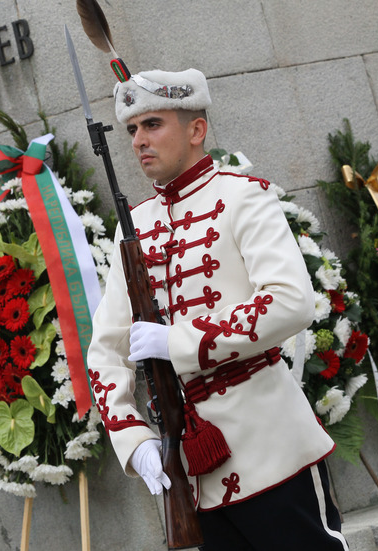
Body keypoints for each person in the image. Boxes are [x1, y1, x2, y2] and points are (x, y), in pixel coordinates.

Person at [86, 67, 348, 550]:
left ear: (196, 129)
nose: (138, 140)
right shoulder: (135, 227)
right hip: (194, 474)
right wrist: (134, 438)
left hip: (272, 450)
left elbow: (291, 301)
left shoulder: (242, 197)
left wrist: (180, 342)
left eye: (153, 124)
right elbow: (105, 351)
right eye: (131, 130)